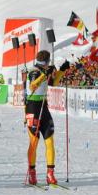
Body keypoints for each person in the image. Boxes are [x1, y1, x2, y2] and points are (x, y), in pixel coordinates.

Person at [25, 50, 69, 186]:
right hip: (33, 107)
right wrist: (44, 74)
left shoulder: (44, 70)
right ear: (46, 62)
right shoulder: (34, 71)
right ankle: (32, 173)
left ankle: (50, 174)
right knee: (34, 142)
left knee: (49, 140)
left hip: (44, 108)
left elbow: (53, 83)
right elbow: (33, 86)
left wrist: (62, 70)